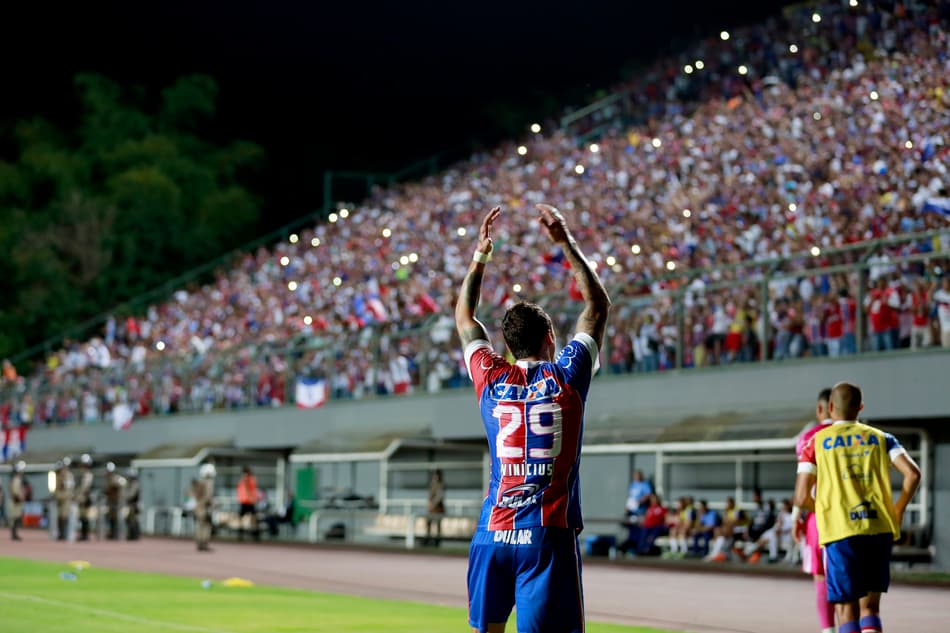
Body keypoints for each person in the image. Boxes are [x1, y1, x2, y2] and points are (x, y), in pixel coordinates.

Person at [456, 204, 610, 633]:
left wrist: (480, 257)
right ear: (550, 339)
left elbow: (465, 318)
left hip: (492, 532)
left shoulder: (490, 376)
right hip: (546, 536)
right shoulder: (567, 376)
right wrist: (566, 243)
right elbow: (597, 306)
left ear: (505, 345)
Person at [795, 382, 921, 633]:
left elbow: (800, 497)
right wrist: (898, 509)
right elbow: (913, 474)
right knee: (871, 609)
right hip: (878, 528)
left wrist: (825, 509)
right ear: (860, 407)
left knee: (846, 609)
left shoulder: (815, 443)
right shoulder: (882, 438)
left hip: (842, 532)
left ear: (830, 408)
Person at [793, 388, 836, 633]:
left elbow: (802, 483)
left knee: (821, 578)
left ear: (821, 409)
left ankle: (828, 629)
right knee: (851, 583)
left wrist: (795, 517)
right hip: (854, 518)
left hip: (818, 518)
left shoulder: (808, 437)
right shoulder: (862, 436)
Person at [193, 463, 216, 551]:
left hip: (198, 506)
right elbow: (208, 496)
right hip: (205, 507)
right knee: (206, 525)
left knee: (199, 525)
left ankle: (199, 543)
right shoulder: (209, 482)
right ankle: (204, 543)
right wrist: (212, 504)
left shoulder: (200, 482)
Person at [54, 458, 75, 541]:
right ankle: (61, 534)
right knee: (59, 516)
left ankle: (65, 534)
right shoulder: (59, 475)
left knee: (64, 516)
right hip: (60, 498)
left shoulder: (68, 475)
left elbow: (68, 487)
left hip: (66, 498)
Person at [76, 453, 95, 541]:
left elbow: (84, 488)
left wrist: (78, 495)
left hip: (85, 499)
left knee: (85, 517)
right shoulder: (82, 475)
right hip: (82, 498)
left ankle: (85, 535)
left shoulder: (88, 475)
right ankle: (83, 534)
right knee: (82, 516)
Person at [236, 466, 258, 541]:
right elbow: (240, 489)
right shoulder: (242, 480)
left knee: (253, 518)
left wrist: (246, 479)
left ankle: (255, 534)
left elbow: (251, 487)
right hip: (243, 502)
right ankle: (240, 533)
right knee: (241, 518)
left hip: (250, 502)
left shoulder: (251, 479)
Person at [425, 469, 445, 546]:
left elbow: (439, 496)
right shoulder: (432, 484)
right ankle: (428, 539)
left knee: (438, 525)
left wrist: (433, 504)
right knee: (428, 523)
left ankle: (437, 541)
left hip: (438, 509)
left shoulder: (440, 485)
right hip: (432, 509)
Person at [103, 462, 123, 539]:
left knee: (116, 518)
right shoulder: (107, 479)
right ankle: (112, 533)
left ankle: (116, 534)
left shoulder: (116, 478)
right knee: (111, 518)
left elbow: (117, 488)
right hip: (110, 501)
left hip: (116, 501)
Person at [9, 460, 25, 540]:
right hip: (15, 502)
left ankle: (15, 534)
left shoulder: (16, 478)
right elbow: (15, 491)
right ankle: (14, 534)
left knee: (17, 517)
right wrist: (20, 497)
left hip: (16, 501)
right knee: (15, 517)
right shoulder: (16, 479)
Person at [125, 468, 141, 540]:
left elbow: (131, 495)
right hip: (132, 504)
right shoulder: (131, 484)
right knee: (130, 520)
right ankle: (132, 535)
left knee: (133, 520)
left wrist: (125, 497)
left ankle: (135, 535)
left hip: (134, 505)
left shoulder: (134, 484)